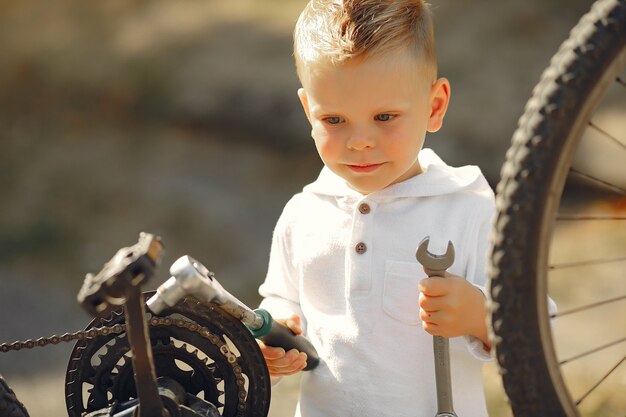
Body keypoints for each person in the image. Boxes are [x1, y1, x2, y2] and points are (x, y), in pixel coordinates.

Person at [257, 1, 495, 415]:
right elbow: (280, 304)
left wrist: (480, 316)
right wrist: (274, 344)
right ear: (307, 111)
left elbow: (537, 333)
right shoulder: (303, 213)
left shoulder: (468, 208)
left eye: (384, 116)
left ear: (434, 106)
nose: (360, 141)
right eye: (334, 120)